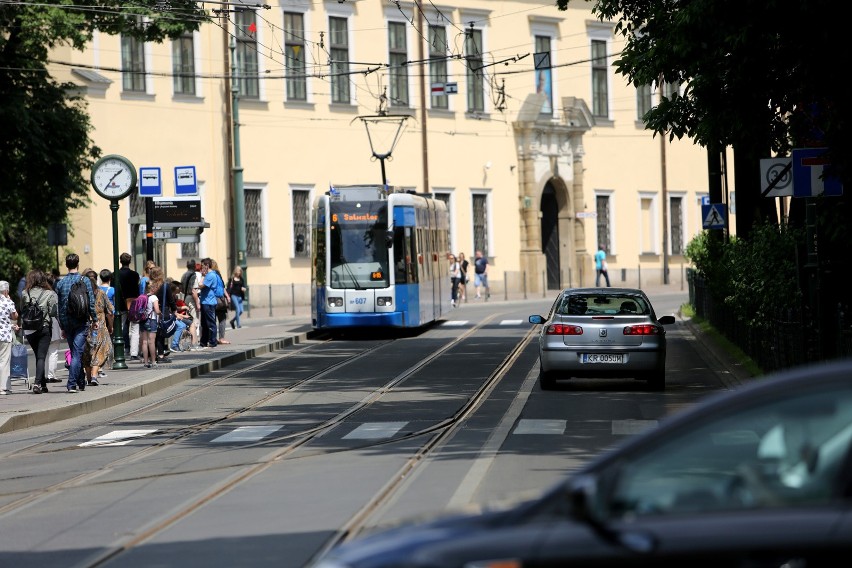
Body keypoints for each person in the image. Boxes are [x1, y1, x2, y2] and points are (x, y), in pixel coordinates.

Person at [55, 253, 98, 393]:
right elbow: (91, 302)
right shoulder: (84, 280)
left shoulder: (60, 283)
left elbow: (59, 306)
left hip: (67, 322)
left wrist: (62, 325)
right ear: (78, 265)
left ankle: (81, 381)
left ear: (66, 266)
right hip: (81, 321)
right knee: (76, 354)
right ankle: (72, 384)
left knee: (75, 351)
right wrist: (95, 319)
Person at [21, 270, 58, 394]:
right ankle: (37, 383)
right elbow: (53, 312)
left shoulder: (25, 293)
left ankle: (43, 385)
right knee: (41, 356)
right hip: (44, 327)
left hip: (29, 329)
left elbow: (22, 309)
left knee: (38, 356)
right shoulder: (50, 293)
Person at [81, 269, 113, 386]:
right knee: (98, 351)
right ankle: (94, 376)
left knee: (86, 352)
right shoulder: (100, 293)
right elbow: (110, 311)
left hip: (84, 325)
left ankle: (89, 377)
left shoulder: (81, 293)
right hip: (99, 326)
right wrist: (111, 325)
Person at [117, 252, 141, 361]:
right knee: (135, 328)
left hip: (121, 304)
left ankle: (123, 349)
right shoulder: (135, 275)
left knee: (122, 327)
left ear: (120, 261)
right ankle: (134, 353)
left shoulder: (115, 274)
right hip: (134, 304)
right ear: (130, 261)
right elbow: (138, 290)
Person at [0, 280, 20, 395]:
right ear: (6, 290)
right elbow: (14, 315)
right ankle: (3, 387)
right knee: (4, 360)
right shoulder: (8, 301)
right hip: (4, 335)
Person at [197, 259, 219, 349]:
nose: (201, 268)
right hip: (205, 301)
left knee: (210, 323)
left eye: (202, 266)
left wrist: (202, 276)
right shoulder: (210, 275)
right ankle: (203, 342)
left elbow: (201, 285)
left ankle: (213, 341)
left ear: (207, 265)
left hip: (208, 302)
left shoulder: (210, 275)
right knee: (204, 323)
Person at [210, 259, 231, 344]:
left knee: (213, 319)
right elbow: (223, 287)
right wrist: (227, 296)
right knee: (222, 319)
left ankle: (213, 338)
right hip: (220, 299)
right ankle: (221, 338)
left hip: (212, 298)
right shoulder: (218, 274)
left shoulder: (209, 275)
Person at [141, 279, 160, 368]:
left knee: (144, 342)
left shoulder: (143, 296)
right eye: (156, 287)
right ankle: (153, 361)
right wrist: (160, 312)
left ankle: (145, 362)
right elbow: (156, 310)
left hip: (143, 320)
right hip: (151, 320)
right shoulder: (154, 298)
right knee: (151, 342)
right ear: (153, 288)